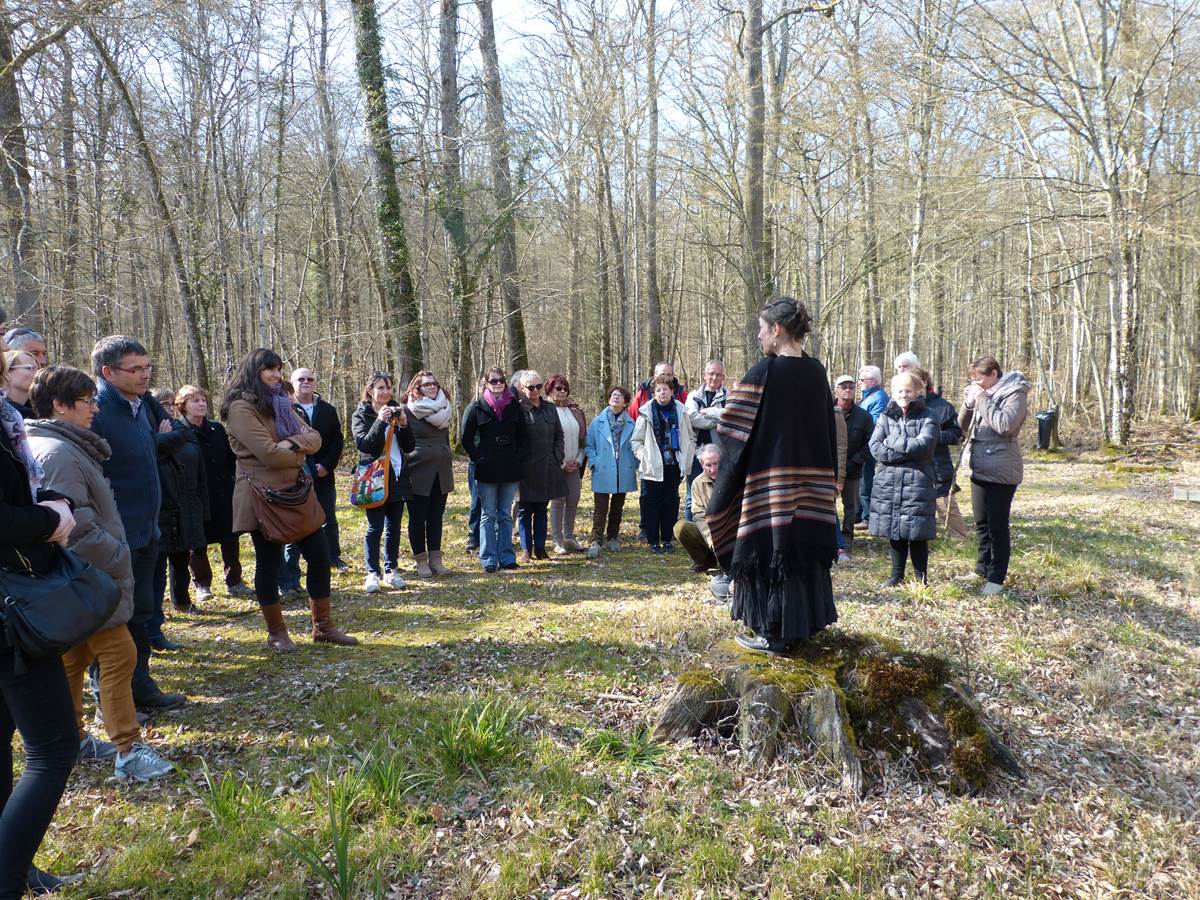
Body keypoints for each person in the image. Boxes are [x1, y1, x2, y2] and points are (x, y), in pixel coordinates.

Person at [26, 366, 175, 783]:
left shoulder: (63, 444)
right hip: (87, 577)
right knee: (119, 654)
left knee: (75, 658)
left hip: (80, 577)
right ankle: (128, 750)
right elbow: (74, 525)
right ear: (59, 405)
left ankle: (71, 739)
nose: (95, 409)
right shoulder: (57, 452)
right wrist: (117, 554)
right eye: (87, 402)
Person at [708, 297, 838, 654]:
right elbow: (829, 429)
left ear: (777, 330)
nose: (759, 337)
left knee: (770, 550)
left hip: (771, 484)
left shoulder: (765, 372)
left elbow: (730, 426)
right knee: (801, 550)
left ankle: (773, 633)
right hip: (812, 483)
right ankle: (804, 626)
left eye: (762, 330)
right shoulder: (817, 371)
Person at [0, 333, 82, 898]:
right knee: (55, 747)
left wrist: (55, 502)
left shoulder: (9, 421)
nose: (27, 368)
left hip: (11, 593)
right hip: (9, 608)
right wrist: (49, 521)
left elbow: (19, 491)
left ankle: (15, 865)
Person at [222, 348, 358, 650]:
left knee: (321, 558)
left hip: (296, 492)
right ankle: (277, 634)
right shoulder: (241, 407)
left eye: (279, 369)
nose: (276, 375)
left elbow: (316, 438)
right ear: (253, 371)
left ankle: (323, 627)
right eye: (270, 369)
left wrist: (290, 443)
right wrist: (298, 453)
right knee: (269, 565)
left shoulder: (282, 402)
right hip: (263, 496)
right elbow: (268, 455)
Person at [90, 335, 187, 713]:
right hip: (115, 536)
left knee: (142, 613)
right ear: (108, 372)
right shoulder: (95, 411)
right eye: (136, 369)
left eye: (148, 367)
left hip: (148, 530)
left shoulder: (140, 405)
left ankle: (141, 687)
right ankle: (112, 703)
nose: (145, 375)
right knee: (114, 622)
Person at [958, 354, 1030, 596]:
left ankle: (996, 578)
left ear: (994, 375)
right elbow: (961, 428)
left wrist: (982, 399)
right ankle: (981, 568)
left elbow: (1005, 425)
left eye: (980, 378)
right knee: (981, 523)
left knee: (997, 526)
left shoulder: (1015, 393)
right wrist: (968, 405)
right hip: (979, 467)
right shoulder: (982, 395)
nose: (977, 383)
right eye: (973, 380)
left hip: (1001, 469)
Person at [147, 387, 208, 651]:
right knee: (156, 567)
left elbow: (196, 464)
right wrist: (164, 441)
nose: (169, 408)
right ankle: (152, 624)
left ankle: (180, 600)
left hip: (187, 499)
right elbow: (152, 457)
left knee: (183, 555)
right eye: (164, 404)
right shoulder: (148, 431)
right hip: (161, 505)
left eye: (171, 404)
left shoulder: (181, 432)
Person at [178, 385, 250, 600]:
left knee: (230, 538)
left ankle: (234, 581)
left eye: (203, 400)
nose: (201, 404)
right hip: (194, 495)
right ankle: (202, 584)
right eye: (195, 401)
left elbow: (231, 458)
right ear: (183, 406)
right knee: (197, 542)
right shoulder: (178, 431)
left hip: (222, 492)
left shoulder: (217, 429)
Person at [869, 372, 939, 587]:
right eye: (900, 390)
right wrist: (905, 452)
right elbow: (875, 446)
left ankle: (921, 580)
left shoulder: (928, 416)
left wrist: (894, 440)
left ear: (918, 392)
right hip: (889, 480)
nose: (904, 395)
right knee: (895, 529)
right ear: (893, 392)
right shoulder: (885, 416)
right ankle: (896, 576)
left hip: (918, 481)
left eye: (908, 390)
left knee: (916, 532)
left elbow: (924, 446)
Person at [281, 369, 347, 594]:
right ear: (292, 383)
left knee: (328, 518)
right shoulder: (285, 410)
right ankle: (291, 576)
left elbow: (337, 441)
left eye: (310, 379)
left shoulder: (327, 409)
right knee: (296, 527)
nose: (306, 382)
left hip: (323, 475)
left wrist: (326, 466)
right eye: (301, 379)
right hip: (296, 477)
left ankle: (333, 557)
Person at [352, 372, 415, 592]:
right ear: (370, 390)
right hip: (374, 478)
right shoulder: (361, 414)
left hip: (397, 475)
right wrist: (380, 421)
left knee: (394, 527)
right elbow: (365, 445)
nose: (386, 392)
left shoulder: (398, 410)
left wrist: (405, 425)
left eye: (388, 388)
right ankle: (372, 572)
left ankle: (391, 570)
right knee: (375, 526)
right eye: (381, 388)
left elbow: (409, 447)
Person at [460, 367, 524, 573]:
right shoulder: (476, 407)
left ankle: (506, 556)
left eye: (501, 381)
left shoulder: (515, 406)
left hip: (509, 468)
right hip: (486, 468)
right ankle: (488, 558)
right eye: (493, 381)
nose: (497, 384)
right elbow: (466, 439)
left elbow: (524, 437)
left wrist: (517, 456)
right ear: (486, 383)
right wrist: (479, 458)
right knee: (488, 514)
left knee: (505, 513)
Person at [632, 373, 696, 554]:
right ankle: (653, 540)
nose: (662, 393)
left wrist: (688, 456)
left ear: (672, 391)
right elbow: (636, 441)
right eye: (658, 390)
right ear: (653, 393)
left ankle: (667, 539)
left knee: (670, 502)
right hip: (652, 466)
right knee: (652, 504)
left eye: (665, 389)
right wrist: (643, 456)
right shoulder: (645, 412)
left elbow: (690, 437)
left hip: (673, 465)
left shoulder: (681, 411)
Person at [404, 370, 454, 577]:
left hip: (441, 471)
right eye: (426, 384)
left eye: (434, 383)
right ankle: (421, 561)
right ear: (417, 388)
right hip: (418, 471)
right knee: (418, 518)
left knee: (436, 517)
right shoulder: (406, 411)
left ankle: (436, 559)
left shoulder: (445, 407)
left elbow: (445, 439)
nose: (432, 387)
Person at [515, 370, 566, 562]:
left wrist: (557, 456)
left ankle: (541, 549)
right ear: (522, 388)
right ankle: (526, 549)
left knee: (541, 510)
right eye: (530, 387)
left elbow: (559, 435)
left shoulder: (549, 408)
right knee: (525, 510)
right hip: (525, 469)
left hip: (547, 466)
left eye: (538, 386)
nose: (535, 390)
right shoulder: (518, 409)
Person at [913, 366, 967, 539]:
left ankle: (958, 539)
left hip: (937, 463)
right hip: (912, 464)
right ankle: (919, 539)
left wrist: (933, 437)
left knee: (944, 502)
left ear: (925, 383)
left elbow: (956, 433)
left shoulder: (943, 406)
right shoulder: (901, 405)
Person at [584, 386, 637, 559]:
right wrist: (594, 462)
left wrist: (634, 463)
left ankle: (613, 537)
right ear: (608, 399)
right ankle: (596, 541)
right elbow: (589, 444)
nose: (616, 397)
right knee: (600, 507)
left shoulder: (631, 423)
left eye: (620, 396)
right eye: (613, 395)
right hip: (603, 468)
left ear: (625, 403)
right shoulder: (597, 422)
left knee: (617, 507)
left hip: (623, 469)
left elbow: (637, 444)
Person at [833, 375, 874, 559]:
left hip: (853, 468)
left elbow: (870, 443)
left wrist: (854, 461)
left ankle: (847, 537)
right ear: (836, 390)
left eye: (850, 387)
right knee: (828, 505)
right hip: (830, 469)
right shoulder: (826, 412)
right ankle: (831, 538)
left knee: (851, 506)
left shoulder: (863, 416)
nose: (847, 390)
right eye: (843, 387)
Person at [546, 374, 586, 554]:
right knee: (558, 500)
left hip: (574, 464)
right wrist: (561, 464)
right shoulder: (547, 410)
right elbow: (546, 442)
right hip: (555, 465)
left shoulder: (575, 410)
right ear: (549, 390)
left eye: (565, 388)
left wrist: (577, 460)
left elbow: (582, 441)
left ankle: (569, 537)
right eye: (558, 388)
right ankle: (557, 540)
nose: (562, 392)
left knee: (573, 498)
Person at [684, 360, 727, 521]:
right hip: (695, 454)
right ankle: (690, 531)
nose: (714, 377)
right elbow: (691, 418)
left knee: (719, 494)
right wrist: (717, 419)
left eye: (718, 374)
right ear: (704, 375)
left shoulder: (729, 396)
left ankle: (716, 530)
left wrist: (710, 412)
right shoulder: (693, 396)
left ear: (723, 377)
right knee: (691, 495)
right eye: (711, 373)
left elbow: (731, 416)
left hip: (720, 454)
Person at [673, 443, 720, 573]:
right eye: (708, 465)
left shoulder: (733, 477)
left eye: (716, 464)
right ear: (701, 465)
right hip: (711, 532)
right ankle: (705, 560)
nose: (713, 469)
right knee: (681, 527)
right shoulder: (697, 483)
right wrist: (711, 540)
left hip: (733, 532)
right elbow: (699, 515)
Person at [855, 364, 889, 524]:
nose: (860, 382)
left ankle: (867, 516)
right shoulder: (868, 396)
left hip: (870, 443)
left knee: (866, 479)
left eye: (863, 379)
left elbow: (875, 422)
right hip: (862, 442)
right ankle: (859, 513)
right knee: (861, 479)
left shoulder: (879, 397)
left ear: (874, 381)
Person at [1, 351, 35, 418]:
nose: (38, 372)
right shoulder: (2, 413)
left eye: (38, 368)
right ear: (6, 373)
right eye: (29, 368)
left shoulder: (42, 411)